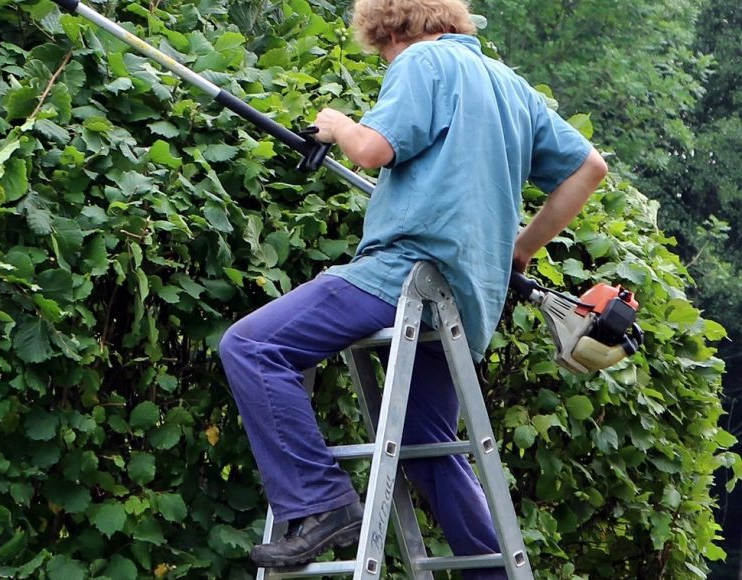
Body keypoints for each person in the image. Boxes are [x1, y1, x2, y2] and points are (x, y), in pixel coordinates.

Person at [218, 0, 608, 575]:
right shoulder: (512, 88)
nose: (385, 62)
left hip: (400, 274)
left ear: (392, 28)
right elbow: (589, 168)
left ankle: (321, 503)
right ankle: (494, 572)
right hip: (463, 299)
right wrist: (520, 250)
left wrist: (338, 125)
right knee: (429, 445)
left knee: (251, 346)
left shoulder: (421, 62)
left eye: (380, 52)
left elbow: (373, 150)